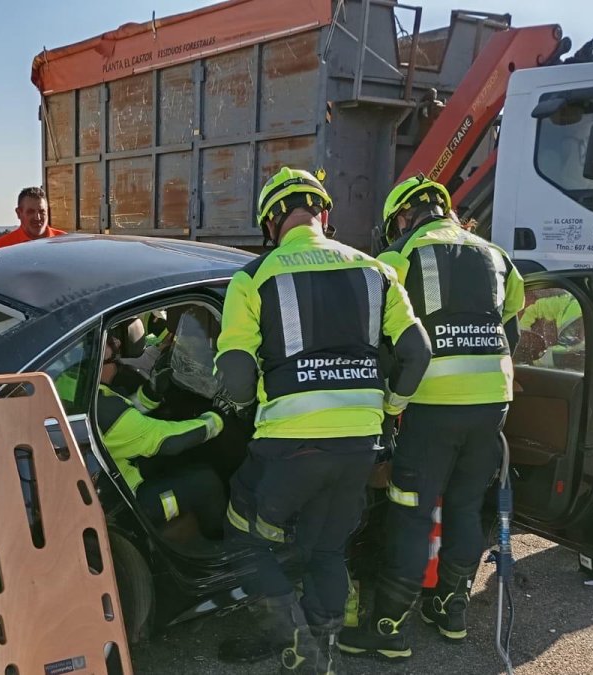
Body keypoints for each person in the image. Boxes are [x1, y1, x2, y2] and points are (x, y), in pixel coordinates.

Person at [215, 167, 431, 673]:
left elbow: (237, 377)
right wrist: (390, 408)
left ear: (271, 222)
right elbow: (417, 353)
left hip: (288, 445)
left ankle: (294, 643)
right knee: (327, 547)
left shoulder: (252, 277)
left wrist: (249, 409)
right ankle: (323, 654)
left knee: (244, 536)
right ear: (324, 214)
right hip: (360, 443)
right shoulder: (377, 270)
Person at [341, 175, 524, 660]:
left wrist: (388, 405)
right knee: (465, 505)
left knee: (411, 510)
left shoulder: (397, 258)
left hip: (430, 406)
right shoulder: (496, 256)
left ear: (402, 217)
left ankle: (388, 628)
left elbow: (380, 344)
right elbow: (514, 332)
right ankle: (450, 609)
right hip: (492, 402)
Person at [97, 319, 228, 539]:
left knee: (178, 461)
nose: (117, 344)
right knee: (206, 482)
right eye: (109, 342)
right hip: (124, 508)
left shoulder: (82, 389)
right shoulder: (108, 412)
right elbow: (168, 441)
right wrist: (217, 418)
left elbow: (125, 420)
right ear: (98, 360)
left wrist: (151, 393)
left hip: (111, 480)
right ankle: (220, 548)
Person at [0, 186, 67, 249]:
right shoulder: (3, 246)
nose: (37, 218)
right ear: (19, 213)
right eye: (31, 212)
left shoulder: (65, 241)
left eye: (41, 211)